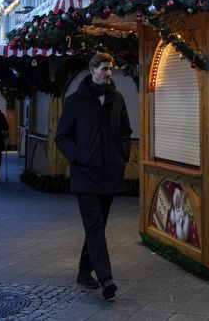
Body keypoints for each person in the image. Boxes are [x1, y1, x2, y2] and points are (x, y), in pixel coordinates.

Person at [55, 53, 132, 300]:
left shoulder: (117, 98)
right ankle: (106, 279)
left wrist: (123, 157)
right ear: (92, 70)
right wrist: (78, 158)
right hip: (85, 175)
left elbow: (125, 131)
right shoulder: (75, 101)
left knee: (97, 226)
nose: (109, 73)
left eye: (111, 68)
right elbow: (62, 136)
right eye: (105, 68)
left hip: (110, 173)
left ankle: (83, 272)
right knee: (95, 225)